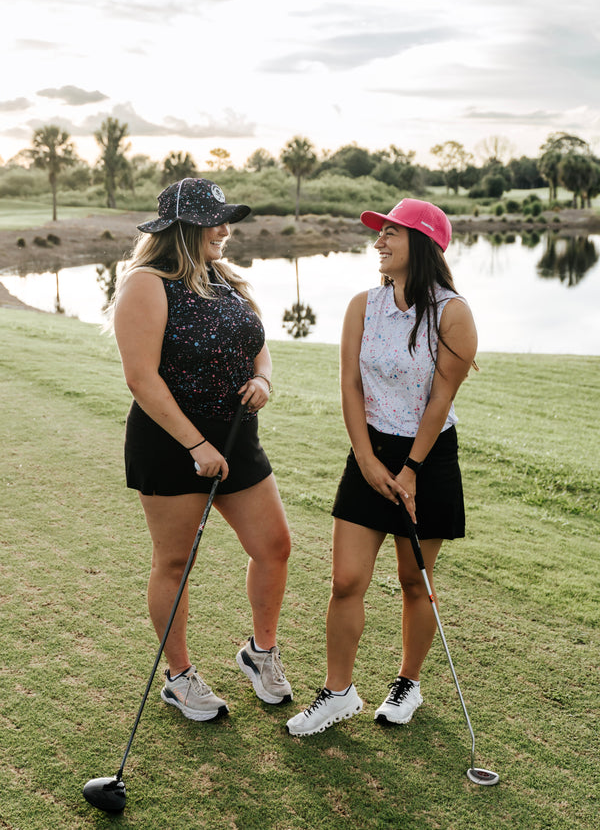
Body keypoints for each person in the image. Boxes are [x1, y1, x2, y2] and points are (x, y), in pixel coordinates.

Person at [287, 198, 477, 736]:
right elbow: (350, 385)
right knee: (346, 580)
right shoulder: (362, 306)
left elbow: (441, 398)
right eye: (380, 233)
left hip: (428, 457)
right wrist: (367, 459)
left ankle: (408, 684)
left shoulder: (453, 313)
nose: (379, 242)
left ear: (423, 243)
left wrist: (411, 467)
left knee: (414, 579)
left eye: (391, 233)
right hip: (369, 451)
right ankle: (338, 692)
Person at [112, 177, 292, 722]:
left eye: (225, 220)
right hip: (171, 442)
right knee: (175, 562)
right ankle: (179, 678)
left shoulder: (226, 279)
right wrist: (196, 445)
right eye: (214, 221)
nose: (225, 230)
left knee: (274, 546)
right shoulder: (146, 284)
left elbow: (258, 347)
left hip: (236, 437)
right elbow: (141, 378)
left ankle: (260, 654)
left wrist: (263, 380)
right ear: (182, 229)